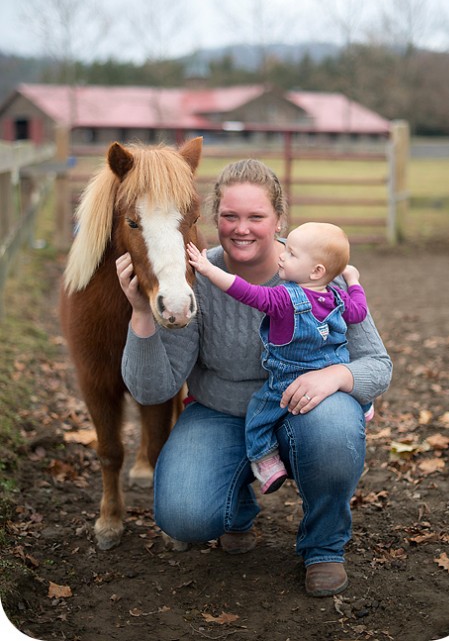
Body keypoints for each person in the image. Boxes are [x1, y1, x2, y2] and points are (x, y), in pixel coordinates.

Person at [117, 158, 392, 598]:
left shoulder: (322, 275)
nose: (241, 228)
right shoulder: (195, 278)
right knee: (183, 515)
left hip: (303, 407)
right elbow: (155, 389)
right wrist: (139, 314)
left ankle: (323, 546)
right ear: (213, 219)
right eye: (229, 216)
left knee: (336, 426)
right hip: (221, 413)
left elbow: (377, 365)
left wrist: (337, 376)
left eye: (256, 217)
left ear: (279, 220)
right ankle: (235, 502)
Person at [186, 222, 372, 496]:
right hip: (331, 370)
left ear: (316, 270)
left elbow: (244, 291)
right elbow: (359, 311)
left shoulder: (284, 299)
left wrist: (208, 269)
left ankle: (264, 459)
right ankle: (363, 404)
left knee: (258, 413)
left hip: (288, 382)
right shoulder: (336, 297)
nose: (282, 254)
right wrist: (354, 280)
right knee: (343, 378)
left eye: (292, 254)